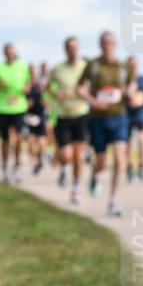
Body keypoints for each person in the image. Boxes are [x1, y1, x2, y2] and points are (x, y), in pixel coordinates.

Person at [77, 31, 135, 217]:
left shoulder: (123, 66)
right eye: (104, 43)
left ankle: (113, 200)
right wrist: (92, 101)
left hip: (119, 117)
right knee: (101, 161)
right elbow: (79, 88)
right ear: (100, 44)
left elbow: (132, 85)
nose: (108, 46)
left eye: (111, 43)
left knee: (119, 158)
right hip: (97, 118)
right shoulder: (93, 66)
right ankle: (95, 176)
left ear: (116, 44)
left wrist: (130, 93)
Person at [49, 36, 90, 204]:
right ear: (65, 50)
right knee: (65, 154)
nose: (73, 51)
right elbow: (48, 86)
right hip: (63, 115)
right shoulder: (58, 69)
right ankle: (65, 168)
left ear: (78, 49)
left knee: (78, 155)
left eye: (75, 48)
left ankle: (75, 189)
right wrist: (55, 93)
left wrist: (85, 93)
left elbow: (92, 86)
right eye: (70, 48)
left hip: (81, 114)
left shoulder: (85, 67)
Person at [0, 43, 31, 184]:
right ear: (4, 54)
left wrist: (26, 89)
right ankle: (4, 169)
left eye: (12, 52)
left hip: (19, 108)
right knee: (5, 140)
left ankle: (17, 167)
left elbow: (29, 84)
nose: (10, 55)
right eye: (7, 53)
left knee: (18, 139)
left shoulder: (23, 67)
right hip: (3, 108)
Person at [125, 56, 143, 183]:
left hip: (140, 114)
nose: (133, 66)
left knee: (141, 140)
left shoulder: (142, 79)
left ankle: (142, 167)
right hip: (127, 114)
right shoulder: (124, 79)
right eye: (131, 64)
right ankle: (129, 167)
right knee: (128, 142)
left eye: (135, 64)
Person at [24, 63, 49, 175]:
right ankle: (34, 165)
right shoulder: (25, 85)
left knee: (41, 141)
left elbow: (48, 101)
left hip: (40, 117)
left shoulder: (42, 86)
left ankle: (40, 159)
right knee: (30, 143)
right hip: (29, 117)